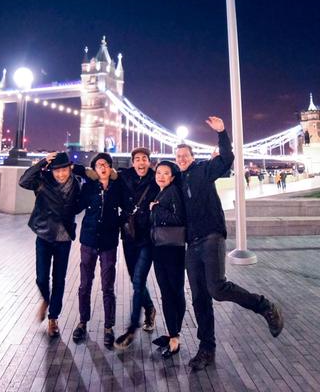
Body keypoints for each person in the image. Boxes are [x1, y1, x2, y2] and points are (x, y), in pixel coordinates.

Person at [175, 116, 284, 371]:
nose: (181, 159)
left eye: (185, 155)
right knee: (200, 299)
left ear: (192, 157)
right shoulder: (177, 180)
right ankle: (206, 349)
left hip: (211, 236)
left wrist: (222, 132)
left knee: (217, 288)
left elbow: (227, 159)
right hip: (192, 244)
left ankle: (264, 306)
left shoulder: (204, 170)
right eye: (178, 156)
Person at [19, 152, 81, 337]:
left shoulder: (77, 184)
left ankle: (53, 318)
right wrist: (43, 162)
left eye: (64, 170)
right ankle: (46, 299)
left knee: (59, 280)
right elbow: (23, 181)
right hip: (44, 235)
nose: (60, 174)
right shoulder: (43, 181)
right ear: (51, 171)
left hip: (64, 238)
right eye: (57, 171)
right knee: (41, 278)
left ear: (70, 168)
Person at [72, 153, 121, 348]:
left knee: (108, 287)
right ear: (94, 169)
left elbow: (128, 205)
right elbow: (76, 207)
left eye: (106, 164)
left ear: (110, 168)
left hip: (109, 242)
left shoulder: (117, 187)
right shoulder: (89, 187)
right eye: (99, 165)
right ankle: (82, 322)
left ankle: (109, 327)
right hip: (89, 241)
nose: (103, 167)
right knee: (85, 285)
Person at [114, 147, 160, 349]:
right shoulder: (123, 178)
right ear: (132, 162)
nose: (141, 162)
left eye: (144, 159)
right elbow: (101, 176)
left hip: (147, 238)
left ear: (149, 162)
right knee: (136, 280)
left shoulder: (156, 179)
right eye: (137, 159)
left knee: (138, 280)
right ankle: (149, 308)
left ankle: (132, 327)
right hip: (129, 235)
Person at [149, 161, 186, 358]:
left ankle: (174, 337)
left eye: (165, 173)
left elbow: (179, 218)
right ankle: (173, 332)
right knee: (167, 292)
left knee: (173, 292)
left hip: (172, 250)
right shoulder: (161, 192)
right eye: (158, 173)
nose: (161, 176)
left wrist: (155, 209)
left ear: (172, 177)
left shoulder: (173, 192)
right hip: (161, 249)